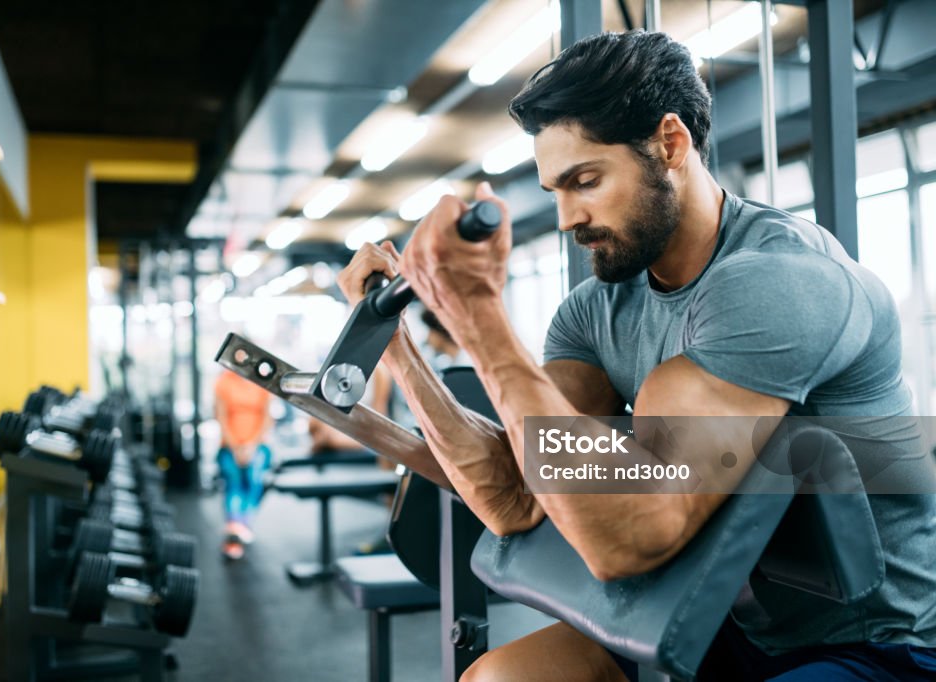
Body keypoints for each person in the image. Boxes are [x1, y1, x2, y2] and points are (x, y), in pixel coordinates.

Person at [337, 31, 936, 682]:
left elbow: (628, 538)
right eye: (554, 190)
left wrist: (479, 315)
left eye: (585, 180)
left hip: (878, 643)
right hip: (720, 624)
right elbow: (516, 495)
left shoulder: (779, 283)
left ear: (670, 145)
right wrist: (395, 347)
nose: (568, 218)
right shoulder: (596, 311)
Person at [214, 368, 273, 560]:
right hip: (230, 446)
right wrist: (235, 447)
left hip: (256, 446)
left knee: (254, 482)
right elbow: (221, 417)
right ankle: (236, 531)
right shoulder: (224, 382)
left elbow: (266, 417)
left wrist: (251, 446)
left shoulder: (261, 383)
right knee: (234, 484)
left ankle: (240, 526)